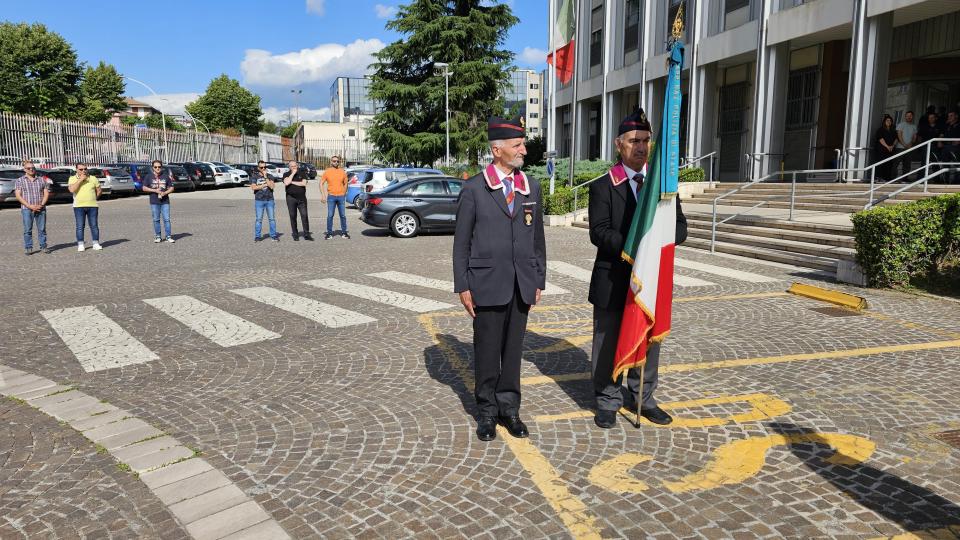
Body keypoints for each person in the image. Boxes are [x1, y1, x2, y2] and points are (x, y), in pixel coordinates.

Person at [587, 109, 688, 430]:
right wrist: (636, 246)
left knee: (649, 339)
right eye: (634, 141)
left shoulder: (663, 187)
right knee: (606, 344)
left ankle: (644, 397)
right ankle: (607, 399)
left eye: (646, 140)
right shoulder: (604, 186)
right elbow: (598, 232)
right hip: (613, 279)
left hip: (650, 281)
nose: (641, 147)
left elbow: (681, 228)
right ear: (619, 144)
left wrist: (658, 241)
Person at [453, 116, 546, 442]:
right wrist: (463, 285)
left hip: (521, 283)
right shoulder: (474, 189)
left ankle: (510, 409)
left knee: (512, 352)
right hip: (486, 284)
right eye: (517, 145)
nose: (523, 149)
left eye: (522, 144)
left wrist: (539, 278)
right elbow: (461, 242)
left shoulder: (530, 186)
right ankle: (487, 413)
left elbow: (537, 238)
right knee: (487, 353)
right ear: (497, 150)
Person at [14, 159, 51, 255]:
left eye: (33, 168)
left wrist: (41, 205)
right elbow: (18, 195)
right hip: (27, 209)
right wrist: (29, 206)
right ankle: (28, 247)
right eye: (28, 168)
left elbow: (46, 193)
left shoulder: (41, 179)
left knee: (42, 229)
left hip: (40, 208)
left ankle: (43, 246)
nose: (31, 169)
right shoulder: (20, 181)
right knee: (27, 229)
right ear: (24, 170)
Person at [68, 163, 103, 251]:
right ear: (76, 170)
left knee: (94, 225)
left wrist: (94, 198)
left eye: (85, 169)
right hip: (78, 206)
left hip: (92, 206)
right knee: (80, 226)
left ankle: (96, 243)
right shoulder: (72, 178)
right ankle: (80, 244)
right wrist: (80, 180)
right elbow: (72, 190)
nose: (83, 171)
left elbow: (99, 190)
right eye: (81, 169)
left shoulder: (93, 178)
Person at [142, 160, 175, 243]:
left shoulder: (166, 176)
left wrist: (165, 192)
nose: (157, 168)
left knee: (166, 219)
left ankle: (168, 236)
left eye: (159, 167)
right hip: (154, 201)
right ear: (152, 168)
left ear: (161, 167)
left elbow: (171, 188)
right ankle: (158, 236)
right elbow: (144, 188)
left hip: (165, 201)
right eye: (155, 167)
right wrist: (155, 190)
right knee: (156, 219)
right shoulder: (148, 177)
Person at [320, 156, 350, 239]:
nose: (336, 162)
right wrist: (323, 195)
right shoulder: (327, 172)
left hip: (341, 197)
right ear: (331, 162)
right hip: (331, 197)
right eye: (334, 161)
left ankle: (344, 232)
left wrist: (344, 193)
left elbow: (346, 183)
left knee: (343, 215)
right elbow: (321, 183)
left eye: (337, 161)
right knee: (330, 215)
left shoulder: (342, 172)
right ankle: (329, 233)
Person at [283, 160, 312, 241]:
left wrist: (291, 182)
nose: (294, 168)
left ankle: (306, 234)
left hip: (301, 198)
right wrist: (292, 174)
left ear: (297, 166)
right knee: (293, 216)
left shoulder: (302, 173)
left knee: (304, 215)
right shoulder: (286, 174)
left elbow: (304, 183)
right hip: (290, 198)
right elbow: (286, 183)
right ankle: (295, 234)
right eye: (292, 166)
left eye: (295, 166)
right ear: (289, 167)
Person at [251, 160, 279, 242]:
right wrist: (264, 185)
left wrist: (265, 176)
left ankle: (273, 235)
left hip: (269, 200)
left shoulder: (270, 176)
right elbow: (253, 187)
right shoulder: (254, 176)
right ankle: (257, 236)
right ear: (258, 168)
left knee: (272, 219)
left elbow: (272, 186)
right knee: (259, 219)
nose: (263, 168)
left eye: (265, 167)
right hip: (259, 200)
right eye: (261, 167)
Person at [873, 115, 897, 181]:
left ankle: (887, 178)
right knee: (881, 164)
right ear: (884, 122)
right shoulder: (880, 130)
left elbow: (896, 139)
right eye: (887, 120)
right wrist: (887, 146)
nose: (889, 122)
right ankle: (879, 178)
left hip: (890, 151)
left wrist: (892, 146)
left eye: (890, 121)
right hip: (881, 150)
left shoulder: (893, 130)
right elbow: (881, 139)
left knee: (889, 164)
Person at [895, 111, 917, 177]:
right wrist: (904, 144)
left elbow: (914, 137)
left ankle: (905, 178)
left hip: (909, 148)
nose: (909, 117)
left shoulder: (914, 126)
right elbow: (899, 135)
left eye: (910, 116)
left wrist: (911, 143)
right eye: (907, 116)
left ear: (912, 117)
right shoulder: (901, 124)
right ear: (905, 116)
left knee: (907, 164)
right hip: (900, 147)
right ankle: (892, 178)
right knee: (896, 163)